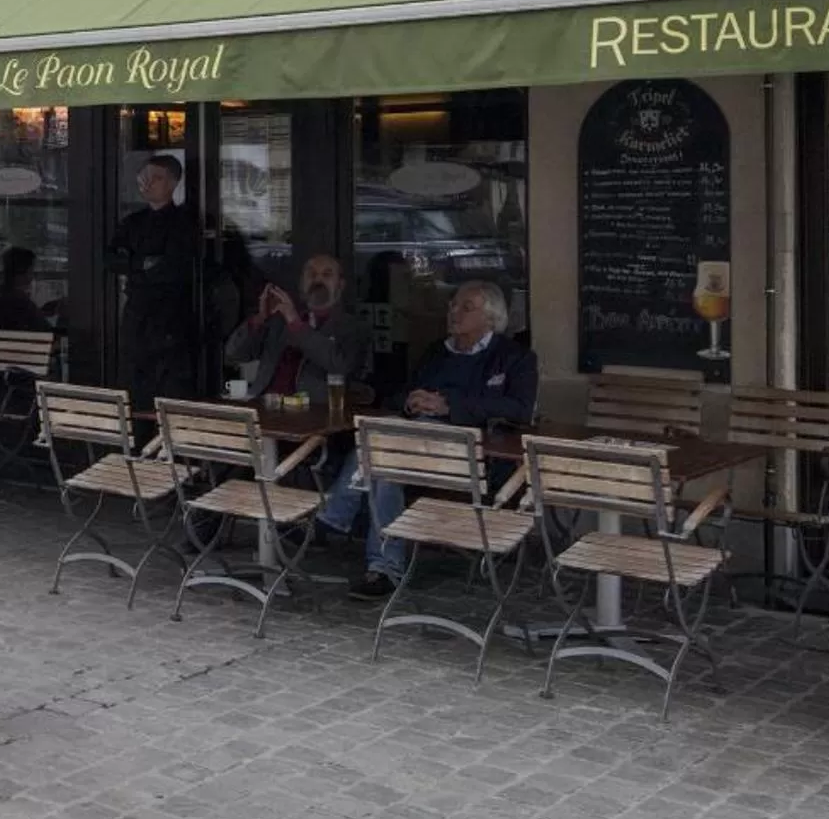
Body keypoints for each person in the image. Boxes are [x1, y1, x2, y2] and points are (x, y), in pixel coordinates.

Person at [321, 279, 538, 598]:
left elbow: (520, 409)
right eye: (452, 305)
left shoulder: (514, 357)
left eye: (466, 307)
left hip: (472, 458)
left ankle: (337, 519)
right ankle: (382, 567)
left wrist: (449, 405)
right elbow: (400, 393)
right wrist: (411, 401)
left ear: (491, 318)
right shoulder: (438, 351)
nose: (454, 312)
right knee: (385, 459)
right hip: (416, 446)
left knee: (386, 455)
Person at [222, 253, 372, 406]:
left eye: (327, 275)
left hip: (313, 414)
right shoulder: (279, 321)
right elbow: (234, 354)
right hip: (263, 405)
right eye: (311, 274)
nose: (318, 280)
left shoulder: (353, 326)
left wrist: (296, 325)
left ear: (340, 285)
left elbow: (341, 366)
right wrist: (260, 318)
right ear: (302, 283)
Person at [112, 154, 191, 405]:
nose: (147, 183)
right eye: (143, 177)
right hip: (136, 313)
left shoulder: (183, 223)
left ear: (173, 183)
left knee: (166, 385)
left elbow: (172, 267)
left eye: (155, 178)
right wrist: (141, 265)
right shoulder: (132, 222)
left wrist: (135, 265)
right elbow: (110, 259)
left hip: (170, 316)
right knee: (131, 380)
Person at [0, 246, 54, 336]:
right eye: (31, 270)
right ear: (23, 272)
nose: (33, 275)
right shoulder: (22, 303)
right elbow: (47, 331)